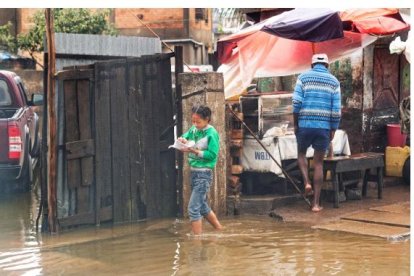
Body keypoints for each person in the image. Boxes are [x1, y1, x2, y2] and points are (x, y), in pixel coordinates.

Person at [292, 53, 341, 212]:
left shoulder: (303, 78)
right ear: (327, 65)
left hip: (305, 125)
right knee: (319, 163)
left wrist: (296, 124)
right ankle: (315, 204)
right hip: (323, 127)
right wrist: (333, 128)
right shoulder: (334, 82)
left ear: (312, 65)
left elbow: (296, 103)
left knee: (301, 154)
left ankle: (306, 182)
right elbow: (336, 111)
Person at [177, 105, 223, 235]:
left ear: (207, 119)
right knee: (202, 206)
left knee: (193, 208)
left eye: (198, 122)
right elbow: (185, 136)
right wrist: (182, 140)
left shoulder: (211, 133)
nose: (195, 124)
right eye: (193, 121)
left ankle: (197, 240)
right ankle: (219, 230)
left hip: (204, 174)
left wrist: (195, 151)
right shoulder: (194, 129)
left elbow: (212, 155)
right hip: (194, 173)